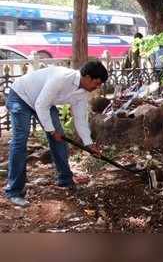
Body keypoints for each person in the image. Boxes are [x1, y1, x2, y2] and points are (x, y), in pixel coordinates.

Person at [5, 61, 108, 207]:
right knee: (20, 141)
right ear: (87, 77)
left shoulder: (83, 93)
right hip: (21, 96)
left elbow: (80, 119)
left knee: (59, 139)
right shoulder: (61, 78)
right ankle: (14, 191)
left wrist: (89, 144)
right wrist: (51, 131)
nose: (97, 87)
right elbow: (41, 105)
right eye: (96, 83)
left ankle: (66, 180)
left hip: (44, 102)